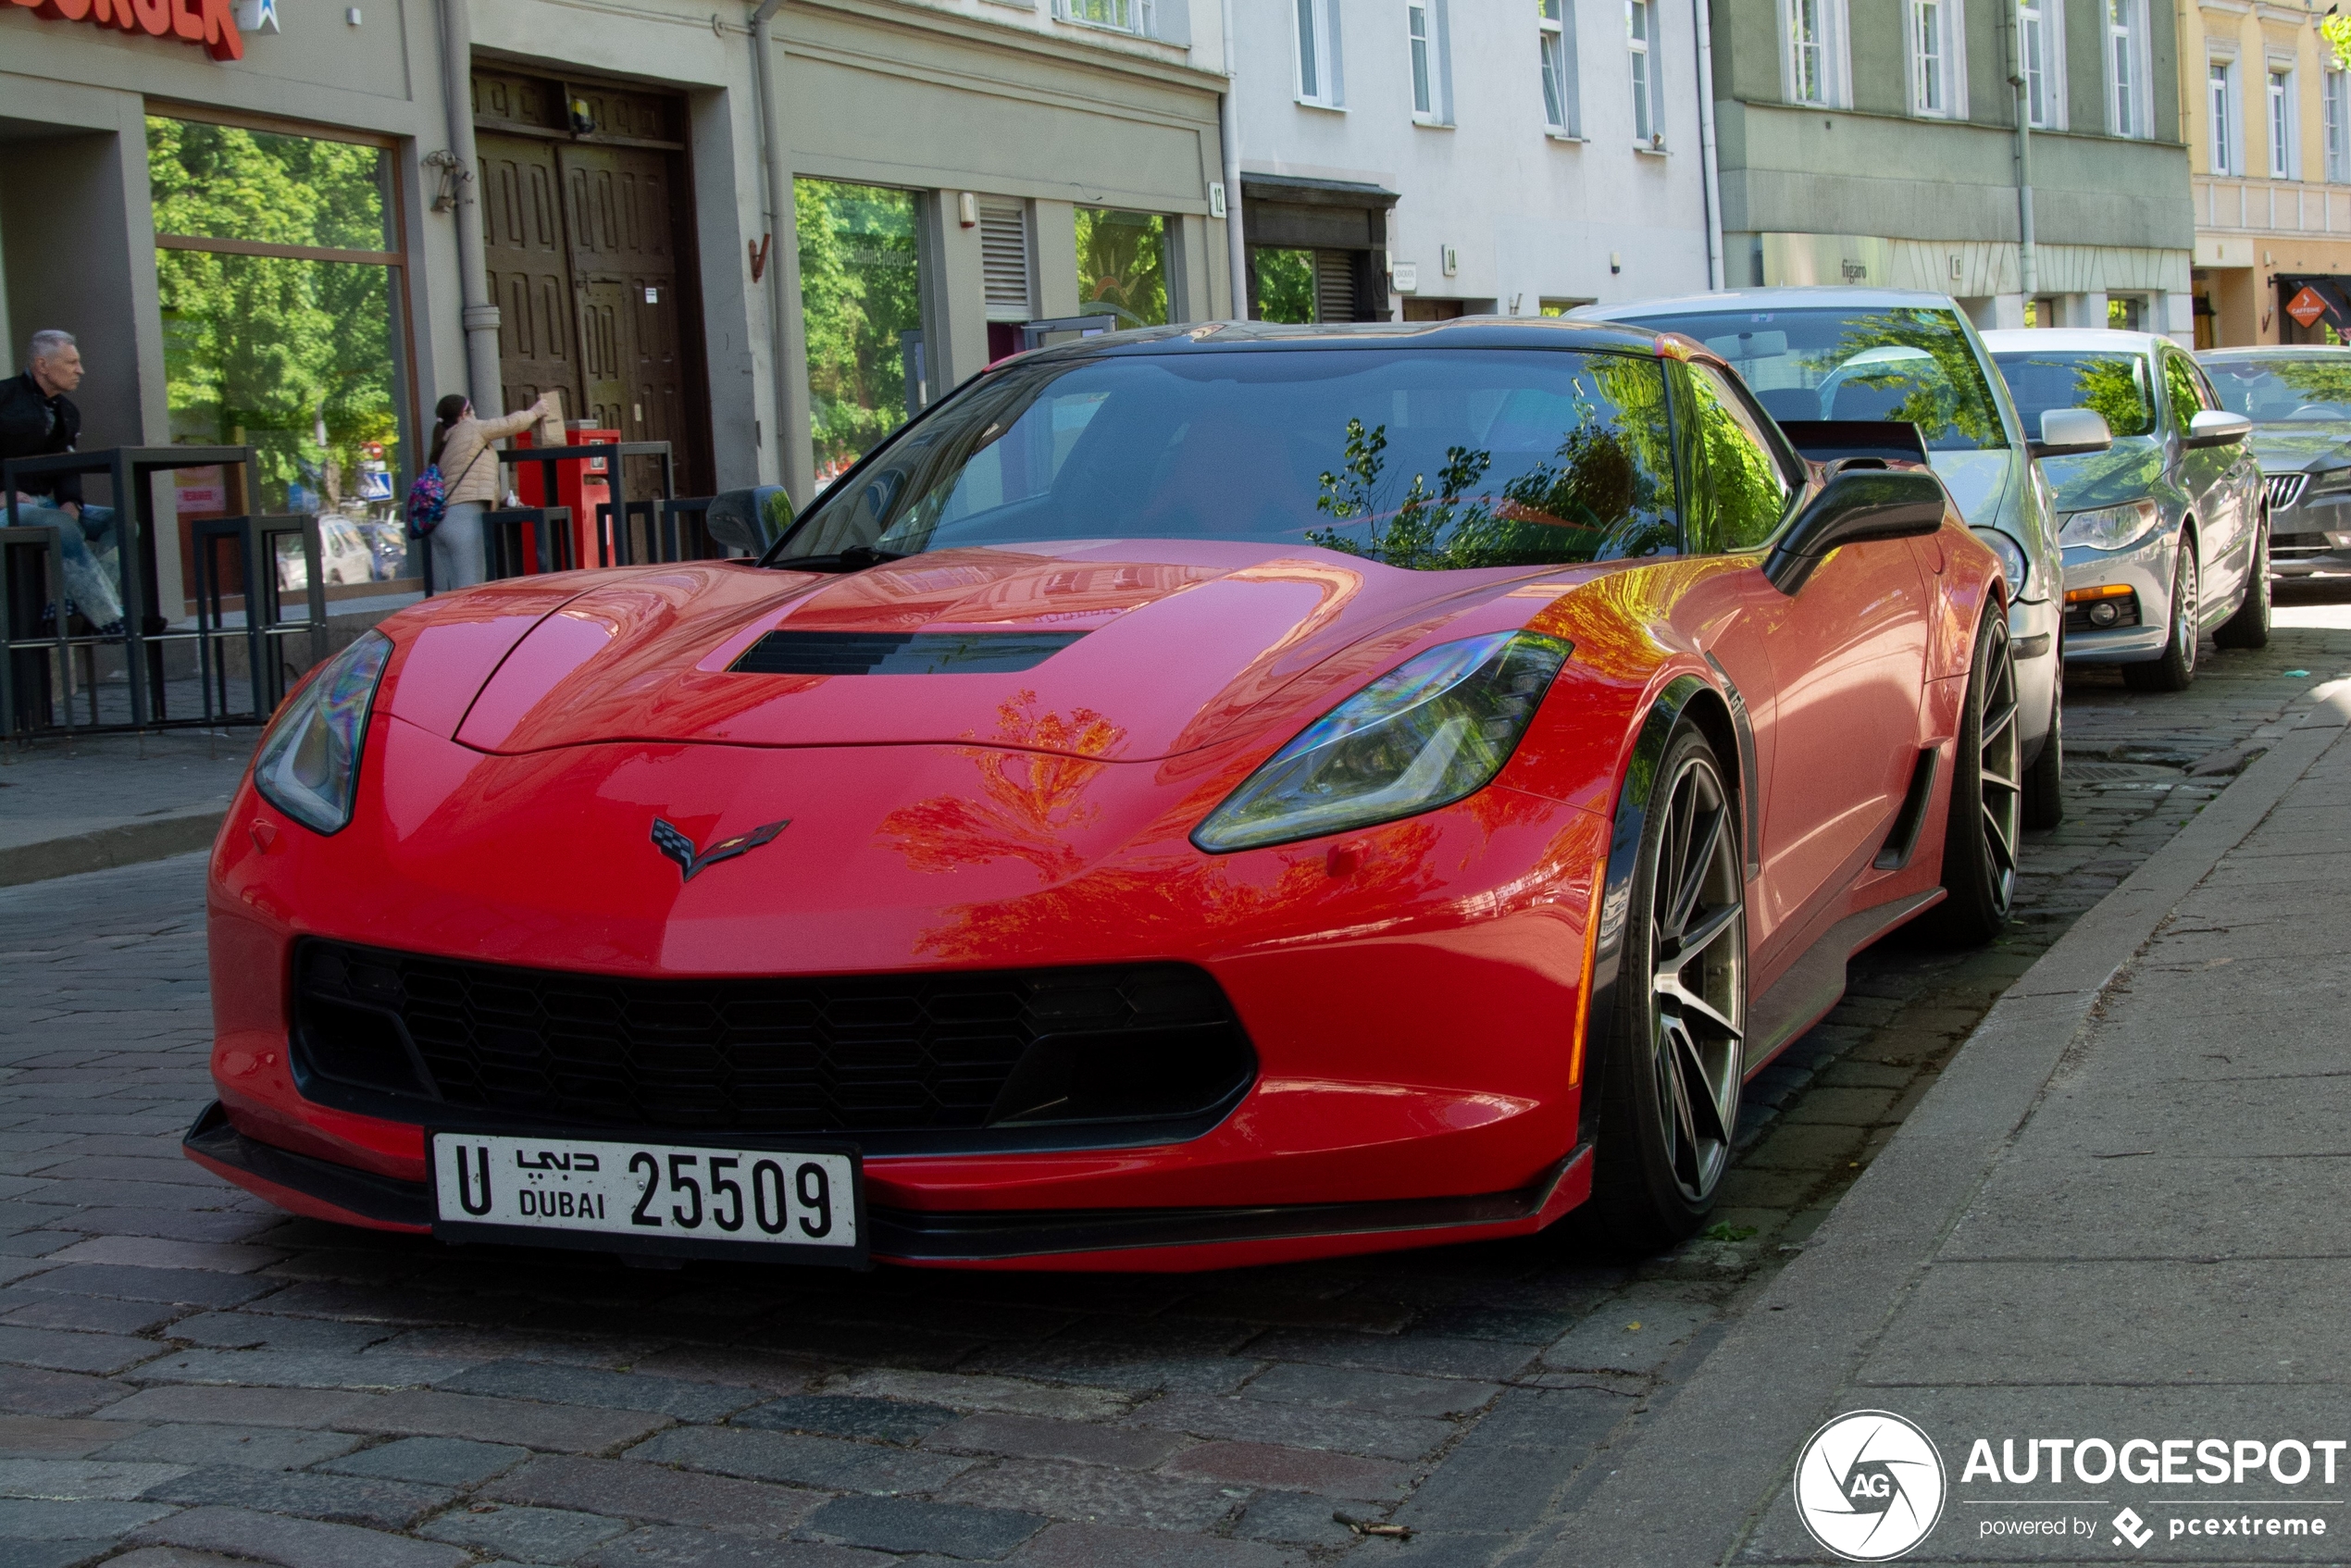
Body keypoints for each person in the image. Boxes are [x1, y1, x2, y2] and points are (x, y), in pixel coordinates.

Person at [0, 330, 123, 635]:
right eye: (71, 363)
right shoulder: (3, 398)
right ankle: (110, 618)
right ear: (43, 365)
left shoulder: (68, 411)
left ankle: (73, 604)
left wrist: (73, 501)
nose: (80, 370)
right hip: (8, 509)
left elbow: (68, 467)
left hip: (48, 504)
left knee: (123, 522)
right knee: (60, 523)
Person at [426, 390, 554, 591]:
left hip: (441, 522)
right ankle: (468, 624)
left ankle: (455, 624)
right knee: (471, 589)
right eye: (473, 412)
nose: (476, 416)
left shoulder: (445, 440)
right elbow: (508, 424)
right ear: (463, 415)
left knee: (455, 593)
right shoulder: (468, 428)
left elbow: (467, 479)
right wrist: (535, 412)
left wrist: (498, 501)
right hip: (463, 519)